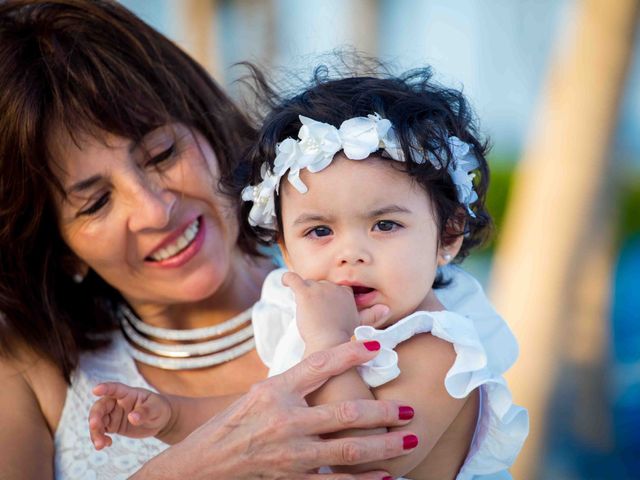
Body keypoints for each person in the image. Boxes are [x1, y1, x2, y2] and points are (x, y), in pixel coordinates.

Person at [0, 1, 430, 479]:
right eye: (96, 203)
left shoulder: (392, 308)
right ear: (57, 249)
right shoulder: (29, 371)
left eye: (161, 154)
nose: (154, 209)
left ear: (206, 125)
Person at [88, 67, 529, 479]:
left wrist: (329, 344)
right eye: (320, 230)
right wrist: (173, 415)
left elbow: (367, 457)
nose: (350, 254)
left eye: (385, 225)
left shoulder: (441, 349)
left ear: (447, 237)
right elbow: (263, 421)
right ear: (284, 248)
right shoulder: (315, 326)